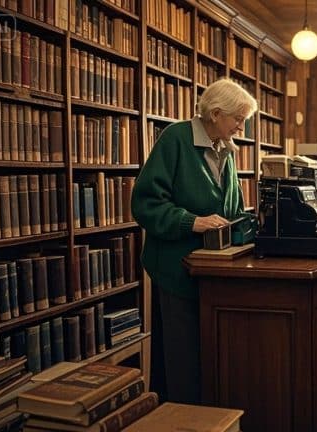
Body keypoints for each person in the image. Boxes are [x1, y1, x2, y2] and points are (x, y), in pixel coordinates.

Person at [131, 78, 257, 404]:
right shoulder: (176, 138)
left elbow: (232, 209)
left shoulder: (226, 149)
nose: (241, 127)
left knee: (209, 361)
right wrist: (193, 222)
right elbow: (146, 204)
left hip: (213, 274)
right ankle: (182, 422)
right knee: (182, 364)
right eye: (238, 119)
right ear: (215, 114)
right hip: (176, 271)